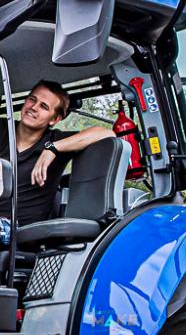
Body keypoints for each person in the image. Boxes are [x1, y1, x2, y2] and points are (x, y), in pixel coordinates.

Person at [11, 79, 115, 227]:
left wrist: (52, 148)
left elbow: (106, 133)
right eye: (32, 99)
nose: (33, 107)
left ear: (54, 119)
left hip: (21, 232)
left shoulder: (55, 140)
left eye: (43, 106)